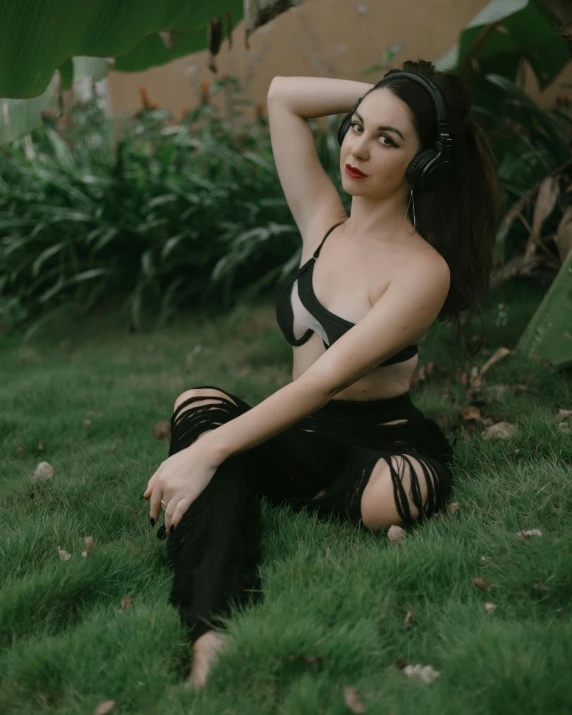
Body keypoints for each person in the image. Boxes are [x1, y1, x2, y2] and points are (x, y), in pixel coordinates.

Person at [141, 59, 501, 689]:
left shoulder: (422, 272)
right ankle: (212, 629)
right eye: (356, 127)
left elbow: (321, 382)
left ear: (425, 164)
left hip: (378, 446)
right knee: (197, 404)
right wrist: (393, 98)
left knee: (376, 492)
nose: (357, 147)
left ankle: (250, 478)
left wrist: (210, 452)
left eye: (387, 139)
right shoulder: (322, 221)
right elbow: (282, 95)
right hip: (300, 430)